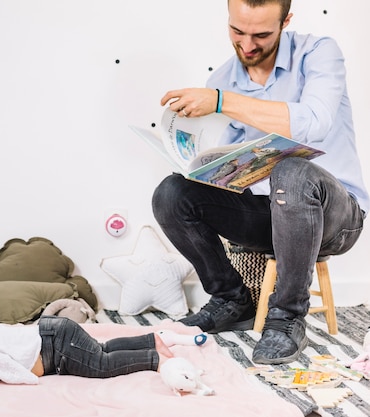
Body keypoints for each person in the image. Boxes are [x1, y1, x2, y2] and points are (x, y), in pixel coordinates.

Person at [153, 0, 368, 365]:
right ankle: (231, 299)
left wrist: (223, 102)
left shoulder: (318, 53)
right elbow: (228, 159)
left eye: (262, 34)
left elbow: (313, 122)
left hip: (336, 216)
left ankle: (286, 316)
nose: (248, 45)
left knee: (293, 170)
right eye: (237, 31)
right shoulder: (221, 80)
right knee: (172, 193)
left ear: (286, 21)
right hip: (270, 213)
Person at [0, 316, 175, 396]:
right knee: (101, 350)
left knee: (100, 365)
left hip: (53, 344)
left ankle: (155, 359)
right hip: (54, 345)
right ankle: (151, 340)